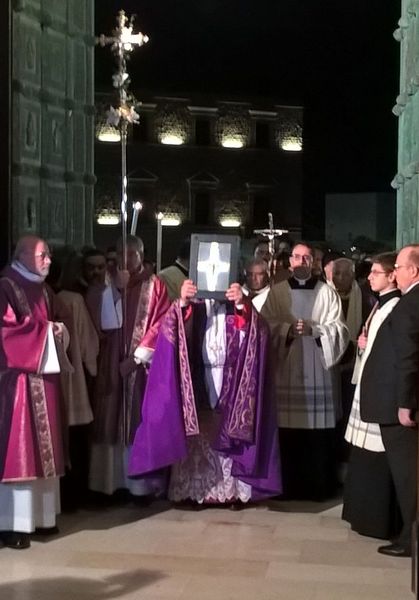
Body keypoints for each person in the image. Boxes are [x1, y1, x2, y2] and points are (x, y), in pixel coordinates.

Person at [129, 279, 281, 507]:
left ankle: (232, 492)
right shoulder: (193, 305)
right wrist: (182, 302)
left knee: (227, 427)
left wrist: (242, 305)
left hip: (230, 376)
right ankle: (193, 492)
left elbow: (256, 331)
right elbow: (171, 328)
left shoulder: (237, 302)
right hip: (197, 375)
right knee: (198, 429)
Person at [261, 242, 349, 500]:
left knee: (316, 437)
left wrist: (316, 331)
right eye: (297, 257)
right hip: (286, 370)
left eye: (306, 258)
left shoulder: (327, 293)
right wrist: (287, 330)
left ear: (314, 263)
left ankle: (317, 487)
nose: (301, 262)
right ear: (290, 261)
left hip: (318, 372)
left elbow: (340, 330)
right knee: (287, 433)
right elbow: (265, 325)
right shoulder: (276, 292)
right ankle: (286, 488)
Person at [88, 235, 170, 502]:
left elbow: (163, 322)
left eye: (131, 254)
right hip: (111, 360)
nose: (125, 260)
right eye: (121, 254)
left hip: (141, 366)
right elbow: (101, 320)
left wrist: (137, 357)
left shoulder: (155, 285)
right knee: (110, 420)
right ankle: (109, 485)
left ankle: (139, 488)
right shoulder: (108, 281)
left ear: (141, 255)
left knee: (135, 420)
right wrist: (114, 291)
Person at [0, 236, 67, 549]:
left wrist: (57, 330)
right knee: (21, 451)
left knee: (45, 452)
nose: (49, 260)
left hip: (43, 378)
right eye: (43, 255)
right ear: (23, 255)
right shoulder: (6, 286)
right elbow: (7, 333)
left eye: (49, 255)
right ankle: (13, 524)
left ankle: (42, 518)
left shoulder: (43, 289)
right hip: (17, 384)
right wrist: (48, 332)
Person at [360, 244, 419, 557]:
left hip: (400, 406)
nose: (395, 272)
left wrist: (406, 403)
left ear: (414, 270)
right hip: (398, 400)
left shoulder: (410, 304)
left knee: (408, 475)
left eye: (398, 267)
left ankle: (411, 538)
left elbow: (409, 357)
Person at [343, 252, 401, 539]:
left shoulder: (395, 307)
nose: (369, 277)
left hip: (381, 392)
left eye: (376, 273)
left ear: (392, 276)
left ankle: (377, 519)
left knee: (377, 455)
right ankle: (362, 515)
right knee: (363, 453)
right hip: (369, 385)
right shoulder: (380, 304)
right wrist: (363, 345)